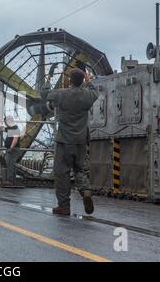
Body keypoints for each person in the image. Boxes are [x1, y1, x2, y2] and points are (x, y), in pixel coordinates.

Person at [46, 68, 98, 215]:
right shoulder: (88, 95)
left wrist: (49, 79)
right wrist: (88, 80)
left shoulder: (62, 94)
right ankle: (86, 191)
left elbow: (45, 95)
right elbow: (95, 91)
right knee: (80, 170)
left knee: (62, 173)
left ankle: (64, 206)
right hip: (81, 140)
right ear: (82, 81)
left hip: (64, 141)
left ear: (70, 80)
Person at [0, 115, 20, 186]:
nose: (5, 124)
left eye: (6, 122)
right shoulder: (11, 128)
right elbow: (2, 129)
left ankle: (10, 181)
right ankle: (13, 180)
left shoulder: (15, 128)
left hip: (12, 149)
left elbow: (15, 139)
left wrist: (11, 147)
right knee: (11, 164)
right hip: (11, 149)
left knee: (10, 164)